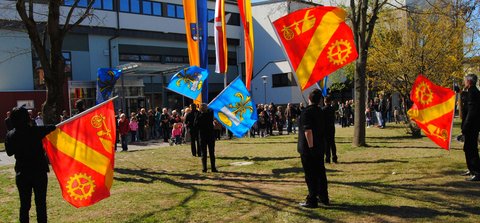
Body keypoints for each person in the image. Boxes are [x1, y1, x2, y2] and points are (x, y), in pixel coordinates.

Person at [5, 106, 56, 223]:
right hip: (39, 172)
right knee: (41, 204)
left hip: (22, 173)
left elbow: (8, 153)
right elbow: (51, 128)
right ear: (27, 118)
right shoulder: (36, 131)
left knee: (24, 205)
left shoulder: (10, 135)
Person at [297, 89, 328, 208]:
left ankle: (312, 199)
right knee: (320, 173)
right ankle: (323, 197)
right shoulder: (321, 111)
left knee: (310, 175)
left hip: (309, 149)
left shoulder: (306, 112)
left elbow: (308, 131)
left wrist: (311, 147)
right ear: (320, 100)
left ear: (309, 98)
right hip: (320, 146)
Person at [461, 74, 480, 181]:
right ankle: (471, 169)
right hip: (472, 125)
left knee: (471, 148)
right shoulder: (472, 92)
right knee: (468, 148)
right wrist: (460, 92)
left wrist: (466, 126)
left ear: (469, 82)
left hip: (472, 126)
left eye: (465, 80)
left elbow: (471, 112)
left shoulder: (473, 93)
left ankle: (476, 172)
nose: (464, 82)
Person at [195, 103, 217, 173]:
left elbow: (195, 124)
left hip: (202, 136)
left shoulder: (198, 115)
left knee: (203, 153)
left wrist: (199, 111)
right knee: (211, 152)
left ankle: (204, 168)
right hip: (210, 135)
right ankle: (213, 168)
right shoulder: (210, 114)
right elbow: (211, 110)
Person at [323, 96, 337, 163]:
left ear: (325, 101)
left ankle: (327, 158)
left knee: (326, 144)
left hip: (325, 128)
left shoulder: (323, 109)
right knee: (332, 143)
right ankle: (334, 157)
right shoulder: (332, 109)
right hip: (332, 127)